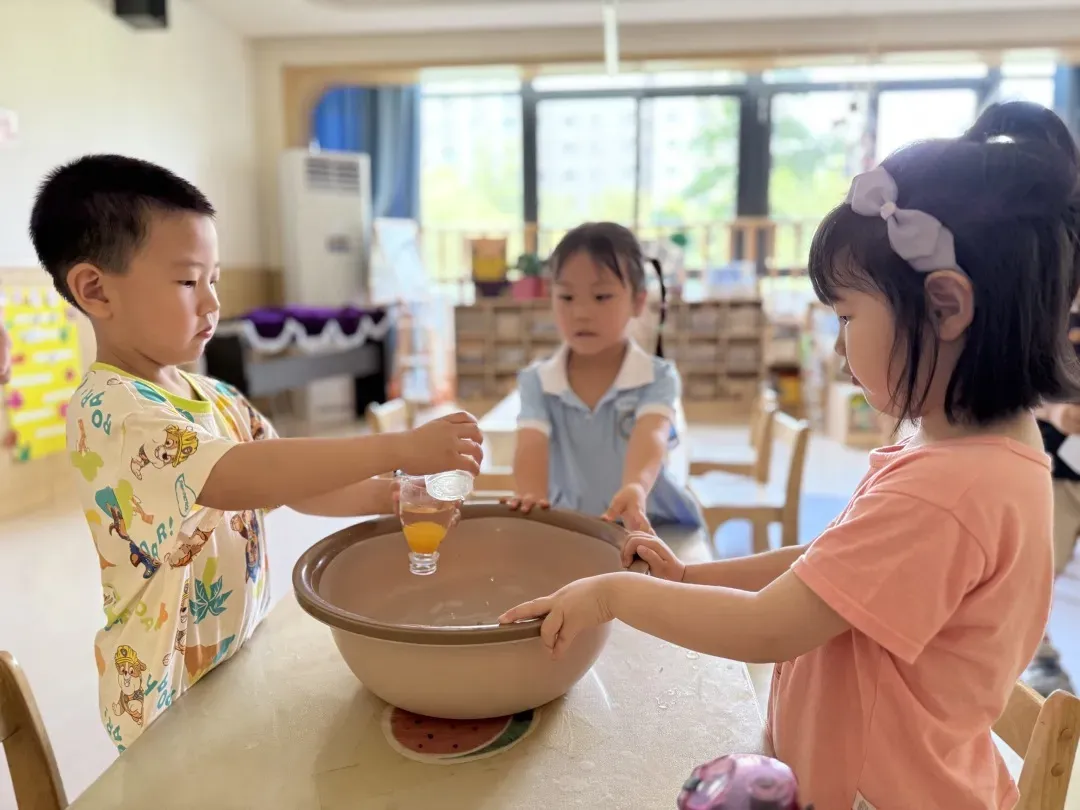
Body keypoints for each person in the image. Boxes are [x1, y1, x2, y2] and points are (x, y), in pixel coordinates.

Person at [501, 102, 1080, 810]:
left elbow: (769, 627)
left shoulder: (948, 492)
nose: (836, 347)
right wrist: (688, 576)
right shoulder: (972, 453)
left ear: (946, 307)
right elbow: (830, 566)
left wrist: (610, 594)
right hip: (876, 771)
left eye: (846, 316)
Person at [31, 155, 483, 750]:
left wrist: (394, 495)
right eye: (188, 282)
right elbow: (237, 476)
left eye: (214, 280)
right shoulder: (113, 411)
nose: (211, 303)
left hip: (230, 658)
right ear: (95, 290)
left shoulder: (214, 396)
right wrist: (399, 448)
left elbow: (293, 482)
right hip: (163, 693)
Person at [507, 222, 700, 532]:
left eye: (601, 296)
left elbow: (652, 435)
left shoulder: (657, 377)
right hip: (574, 529)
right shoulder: (537, 382)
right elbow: (530, 445)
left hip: (655, 525)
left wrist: (636, 486)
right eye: (567, 297)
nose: (581, 313)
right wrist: (531, 494)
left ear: (638, 302)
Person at [1028, 331, 1080, 695]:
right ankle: (1040, 657)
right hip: (1057, 470)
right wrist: (1055, 412)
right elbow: (1010, 388)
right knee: (1041, 569)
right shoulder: (1046, 314)